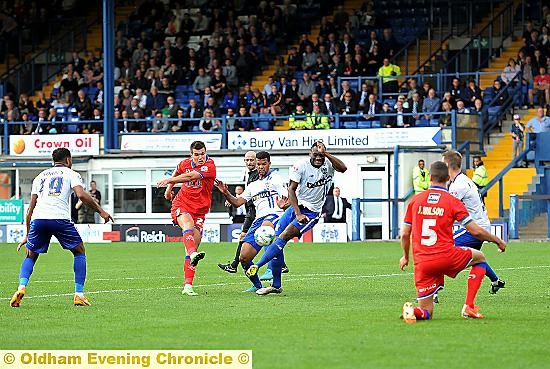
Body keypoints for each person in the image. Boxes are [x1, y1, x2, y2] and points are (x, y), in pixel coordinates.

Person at [400, 161, 506, 323]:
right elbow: (475, 231)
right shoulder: (452, 201)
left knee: (426, 311)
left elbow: (405, 233)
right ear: (448, 178)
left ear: (430, 177)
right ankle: (468, 306)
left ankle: (412, 310)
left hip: (422, 263)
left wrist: (405, 257)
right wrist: (497, 240)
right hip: (445, 256)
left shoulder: (415, 200)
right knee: (480, 258)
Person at [10, 148, 113, 308]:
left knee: (30, 255)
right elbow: (82, 195)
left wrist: (27, 234)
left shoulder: (40, 177)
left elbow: (30, 209)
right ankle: (79, 295)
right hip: (59, 218)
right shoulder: (71, 174)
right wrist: (102, 211)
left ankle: (21, 287)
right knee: (79, 251)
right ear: (68, 160)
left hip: (38, 219)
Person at [245, 141, 348, 294]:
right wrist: (295, 212)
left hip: (312, 212)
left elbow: (344, 168)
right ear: (310, 154)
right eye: (316, 155)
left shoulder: (328, 164)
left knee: (285, 235)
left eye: (321, 155)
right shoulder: (301, 166)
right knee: (276, 237)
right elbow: (291, 190)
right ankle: (276, 285)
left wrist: (325, 153)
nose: (318, 158)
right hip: (296, 209)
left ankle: (258, 266)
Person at [216, 151, 288, 293]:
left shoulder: (276, 179)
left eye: (264, 164)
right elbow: (237, 202)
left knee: (268, 235)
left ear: (269, 164)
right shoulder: (253, 185)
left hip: (274, 215)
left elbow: (289, 198)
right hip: (258, 219)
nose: (261, 167)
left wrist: (284, 205)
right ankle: (258, 286)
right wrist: (225, 192)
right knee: (244, 257)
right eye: (259, 164)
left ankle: (276, 284)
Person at [156, 141, 216, 296]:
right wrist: (169, 190)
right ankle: (193, 254)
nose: (200, 157)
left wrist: (168, 181)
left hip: (200, 211)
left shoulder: (210, 166)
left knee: (192, 249)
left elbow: (190, 176)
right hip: (182, 204)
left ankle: (188, 286)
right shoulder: (184, 163)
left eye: (202, 153)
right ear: (192, 154)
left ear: (205, 152)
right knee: (187, 223)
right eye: (197, 155)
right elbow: (177, 172)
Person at [443, 151, 505, 294]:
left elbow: (449, 212)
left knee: (443, 250)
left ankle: (432, 293)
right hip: (480, 224)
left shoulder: (457, 186)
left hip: (475, 228)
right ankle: (496, 281)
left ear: (447, 165)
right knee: (475, 257)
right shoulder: (464, 179)